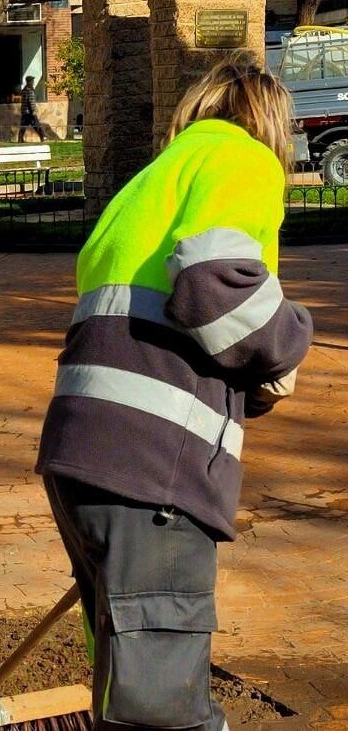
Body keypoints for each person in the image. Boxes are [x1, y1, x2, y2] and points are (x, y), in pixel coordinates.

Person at [35, 56, 313, 730]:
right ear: (268, 119)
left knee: (124, 681)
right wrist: (286, 346)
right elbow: (216, 281)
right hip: (153, 471)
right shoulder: (241, 160)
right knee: (162, 708)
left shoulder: (145, 186)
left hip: (80, 462)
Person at [17, 76, 45, 143]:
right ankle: (43, 136)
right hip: (30, 112)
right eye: (32, 81)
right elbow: (31, 102)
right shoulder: (30, 91)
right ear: (29, 82)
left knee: (23, 125)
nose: (33, 82)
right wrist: (33, 111)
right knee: (36, 125)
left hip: (24, 111)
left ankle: (20, 138)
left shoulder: (24, 90)